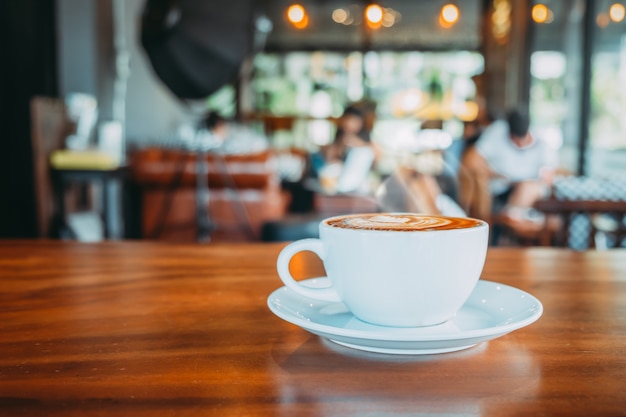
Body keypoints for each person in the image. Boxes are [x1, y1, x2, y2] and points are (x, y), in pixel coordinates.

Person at [459, 108, 558, 222]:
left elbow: (548, 176)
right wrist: (494, 173)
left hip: (529, 190)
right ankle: (512, 220)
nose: (519, 144)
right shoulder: (497, 132)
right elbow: (470, 160)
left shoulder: (542, 143)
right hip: (500, 191)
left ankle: (511, 218)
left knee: (527, 188)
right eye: (515, 140)